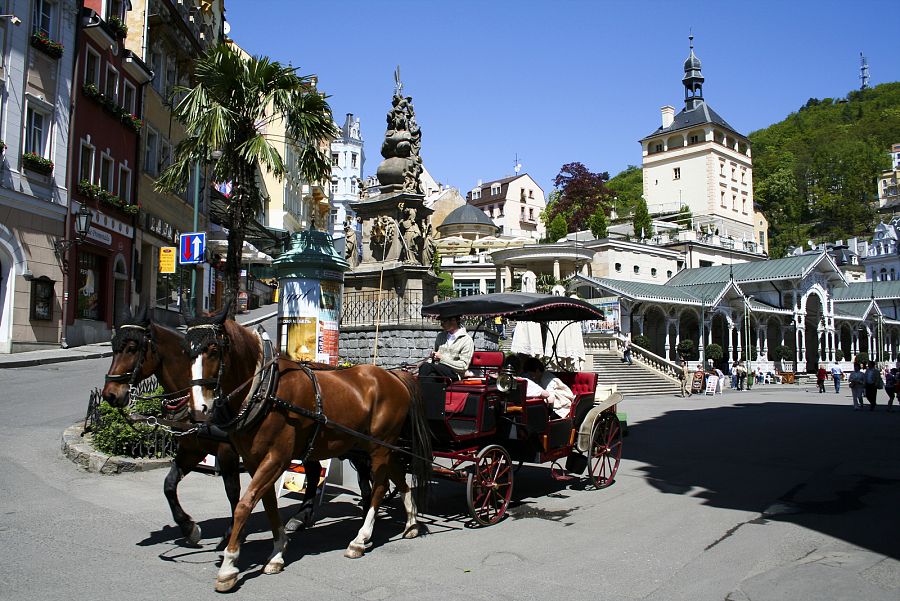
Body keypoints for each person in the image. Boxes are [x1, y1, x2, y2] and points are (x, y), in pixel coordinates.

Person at [418, 315, 474, 381]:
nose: (441, 324)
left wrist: (441, 358)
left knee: (426, 367)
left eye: (444, 321)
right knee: (430, 376)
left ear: (453, 320)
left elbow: (463, 366)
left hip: (454, 373)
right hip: (438, 370)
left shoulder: (467, 340)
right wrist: (432, 357)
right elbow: (433, 355)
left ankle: (418, 389)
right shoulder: (440, 336)